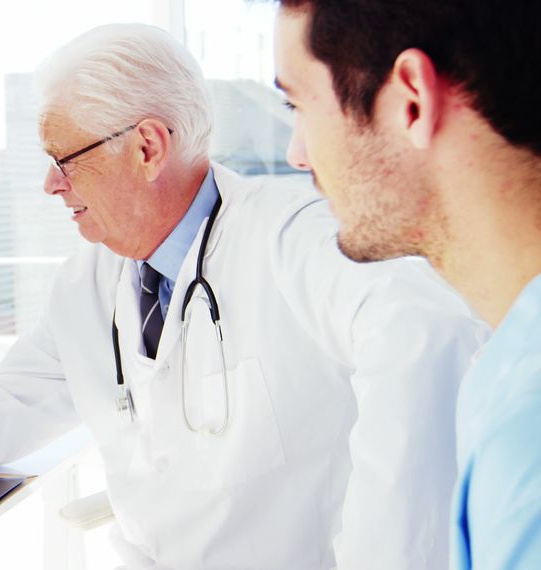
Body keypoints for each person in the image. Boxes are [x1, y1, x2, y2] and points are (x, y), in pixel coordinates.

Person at [0, 23, 487, 569]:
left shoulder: (293, 237)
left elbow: (427, 330)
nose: (51, 183)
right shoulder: (90, 286)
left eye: (64, 158)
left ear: (148, 146)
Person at [270, 2, 541, 568]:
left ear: (411, 100)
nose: (296, 155)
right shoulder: (506, 370)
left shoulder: (527, 442)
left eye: (297, 104)